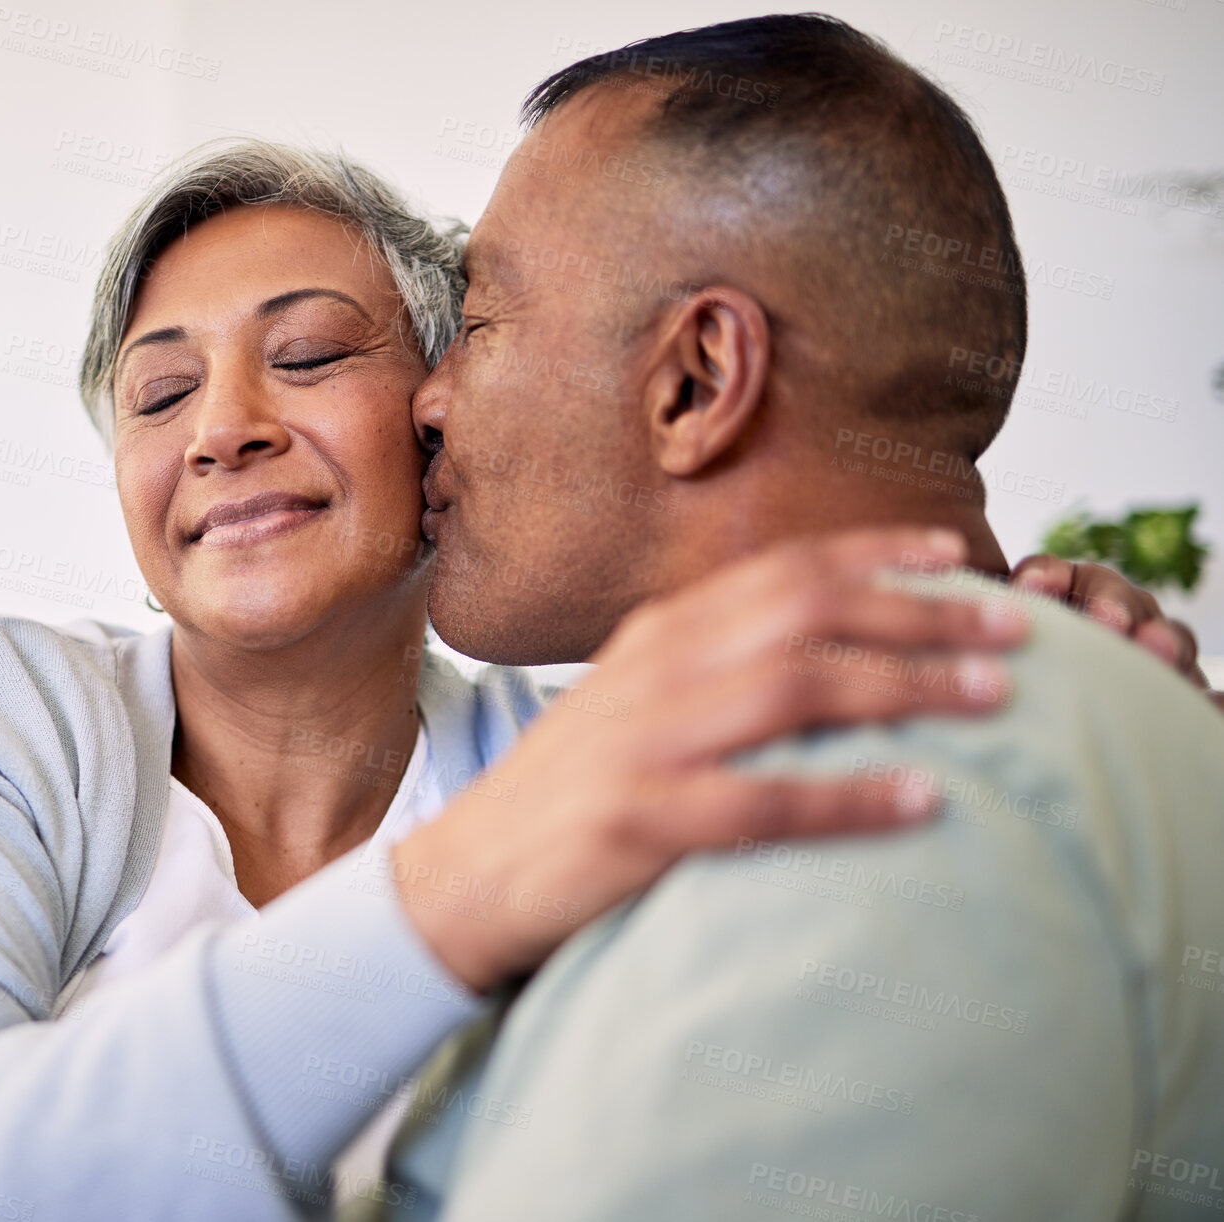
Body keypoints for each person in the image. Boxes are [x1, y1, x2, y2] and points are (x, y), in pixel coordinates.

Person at [0, 129, 1202, 1222]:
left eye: (307, 356)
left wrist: (1039, 677)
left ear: (443, 415)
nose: (222, 425)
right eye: (158, 395)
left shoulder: (590, 760)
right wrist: (455, 897)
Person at [363, 16, 1224, 1221]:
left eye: (484, 320)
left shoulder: (878, 791)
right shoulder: (970, 728)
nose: (429, 400)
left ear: (699, 379)